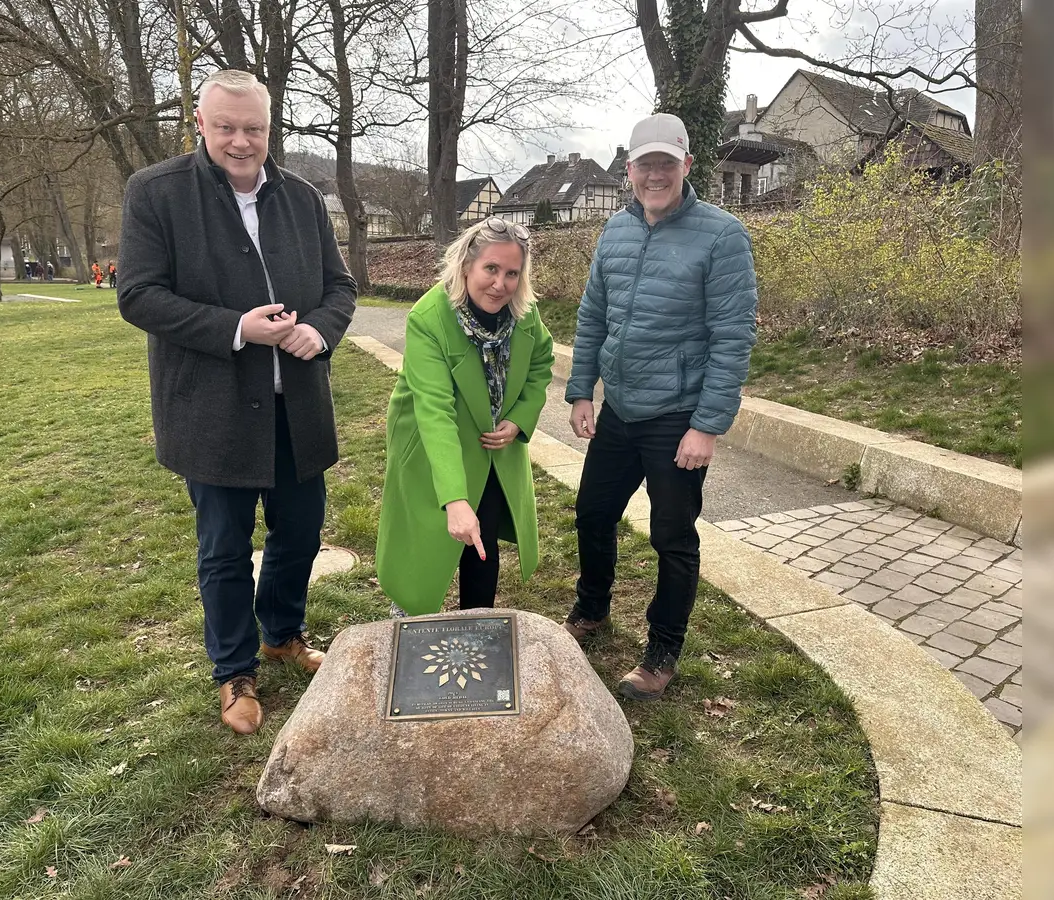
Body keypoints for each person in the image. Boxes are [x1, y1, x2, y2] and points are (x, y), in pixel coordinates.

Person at [118, 69, 356, 736]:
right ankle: (234, 671)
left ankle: (282, 632)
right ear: (200, 123)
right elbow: (137, 295)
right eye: (226, 126)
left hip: (297, 407)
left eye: (253, 127)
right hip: (211, 410)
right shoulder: (155, 193)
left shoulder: (304, 198)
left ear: (269, 127)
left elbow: (340, 287)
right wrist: (238, 328)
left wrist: (320, 329)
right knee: (223, 548)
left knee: (300, 532)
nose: (241, 140)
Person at [562, 113, 757, 701]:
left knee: (672, 536)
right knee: (594, 513)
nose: (655, 175)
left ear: (686, 167)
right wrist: (580, 389)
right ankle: (592, 608)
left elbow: (733, 335)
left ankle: (662, 650)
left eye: (666, 164)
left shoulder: (723, 236)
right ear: (628, 170)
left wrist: (707, 426)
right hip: (620, 409)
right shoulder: (614, 233)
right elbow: (594, 315)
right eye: (644, 164)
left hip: (678, 416)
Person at [376, 218, 555, 617]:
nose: (500, 284)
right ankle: (410, 612)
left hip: (490, 443)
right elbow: (435, 410)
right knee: (427, 531)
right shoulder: (429, 318)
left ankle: (478, 619)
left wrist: (520, 418)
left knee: (483, 532)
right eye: (491, 269)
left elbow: (542, 362)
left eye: (512, 273)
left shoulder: (524, 314)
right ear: (466, 266)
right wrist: (455, 499)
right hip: (428, 441)